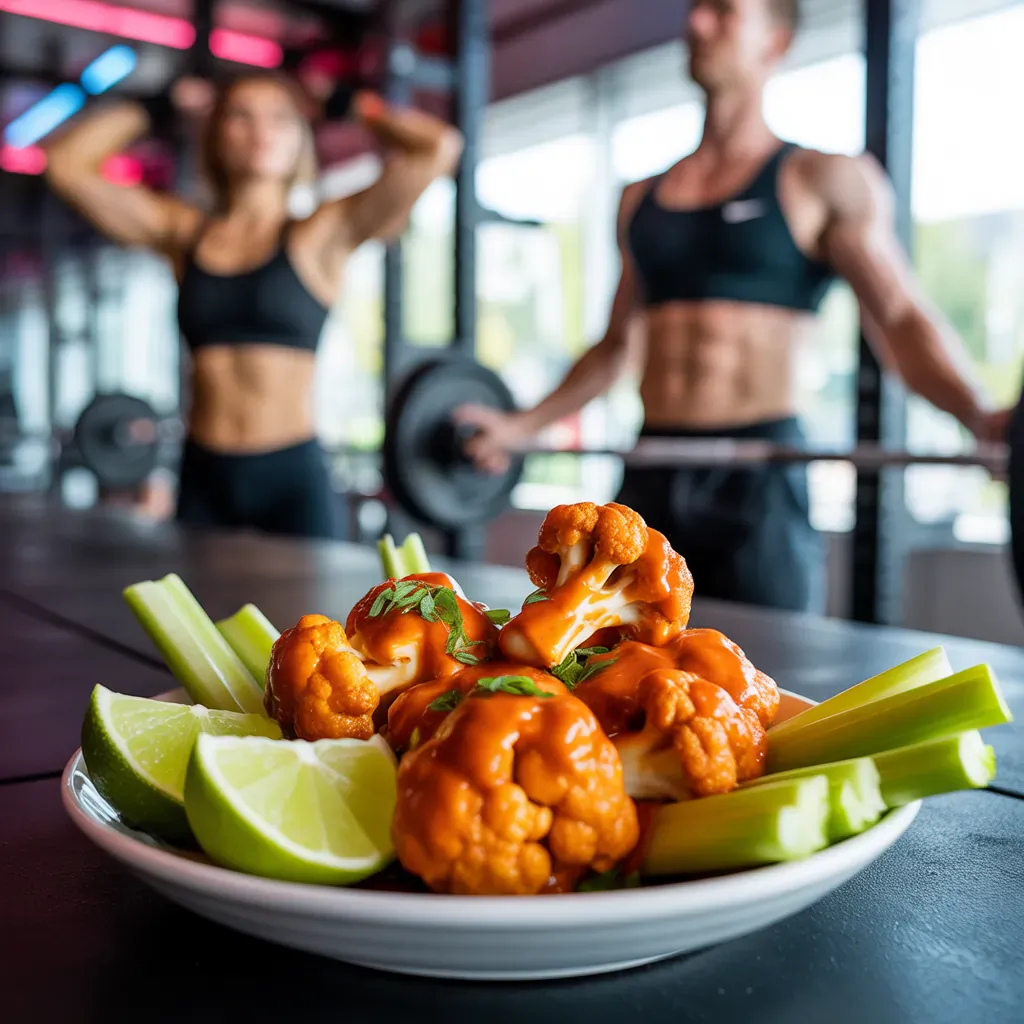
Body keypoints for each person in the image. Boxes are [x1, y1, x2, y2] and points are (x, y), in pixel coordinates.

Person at [455, 0, 1008, 613]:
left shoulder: (820, 180)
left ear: (774, 41)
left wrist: (980, 418)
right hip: (652, 466)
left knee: (767, 676)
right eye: (696, 10)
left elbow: (900, 320)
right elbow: (614, 351)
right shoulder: (640, 197)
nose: (695, 23)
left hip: (759, 479)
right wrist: (520, 428)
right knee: (617, 667)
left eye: (722, 12)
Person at [46, 74, 462, 539]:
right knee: (193, 614)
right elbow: (65, 165)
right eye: (240, 115)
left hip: (292, 475)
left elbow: (437, 147)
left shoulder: (322, 234)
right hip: (204, 472)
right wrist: (160, 104)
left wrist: (349, 101)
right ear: (218, 136)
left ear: (300, 140)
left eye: (280, 118)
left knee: (312, 615)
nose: (260, 129)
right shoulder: (184, 234)